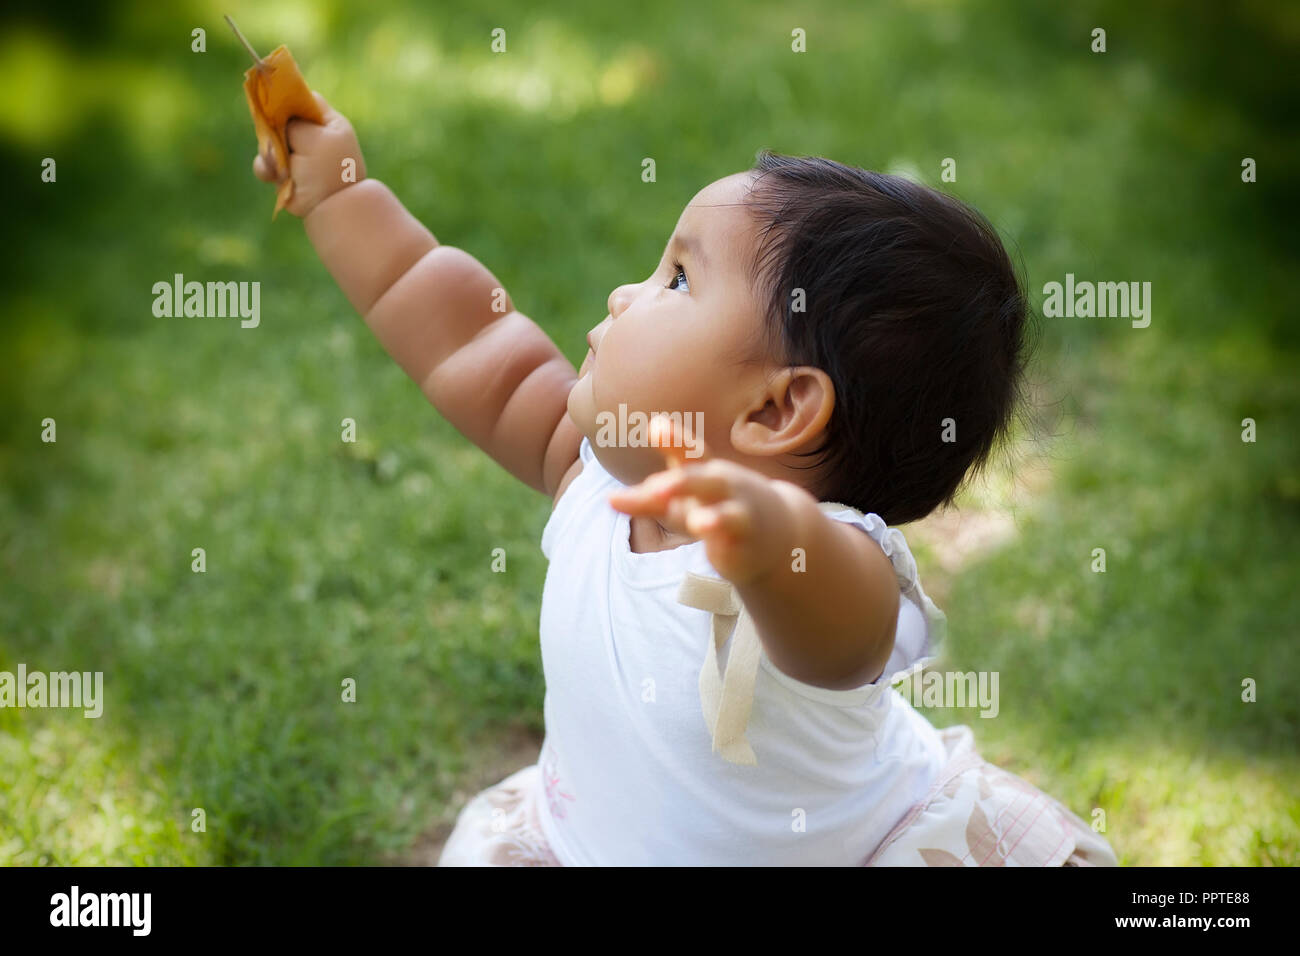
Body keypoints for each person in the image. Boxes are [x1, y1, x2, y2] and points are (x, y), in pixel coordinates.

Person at [253, 94, 1119, 866]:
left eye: (675, 278)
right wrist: (340, 194)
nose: (626, 295)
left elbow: (844, 635)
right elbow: (462, 337)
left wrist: (769, 540)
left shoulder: (826, 566)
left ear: (777, 412)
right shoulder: (588, 469)